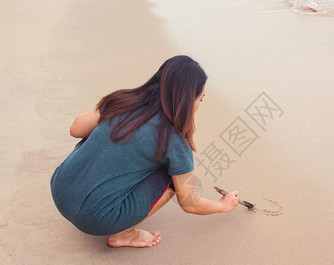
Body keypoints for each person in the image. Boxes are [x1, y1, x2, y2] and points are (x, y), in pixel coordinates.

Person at [50, 55, 239, 248]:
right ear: (188, 101)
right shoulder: (173, 140)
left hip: (59, 189)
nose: (199, 104)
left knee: (104, 132)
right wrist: (223, 206)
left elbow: (76, 130)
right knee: (173, 177)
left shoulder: (122, 101)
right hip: (93, 220)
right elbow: (190, 204)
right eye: (200, 98)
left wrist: (107, 112)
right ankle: (124, 234)